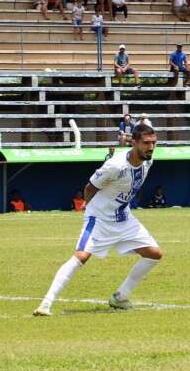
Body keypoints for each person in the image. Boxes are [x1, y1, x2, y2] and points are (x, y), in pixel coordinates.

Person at [34, 124, 162, 316]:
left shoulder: (147, 162)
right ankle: (45, 304)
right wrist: (90, 210)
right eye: (146, 143)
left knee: (154, 254)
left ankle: (120, 297)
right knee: (81, 256)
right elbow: (90, 188)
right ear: (134, 143)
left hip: (124, 218)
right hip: (100, 219)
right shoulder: (115, 165)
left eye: (153, 143)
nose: (151, 147)